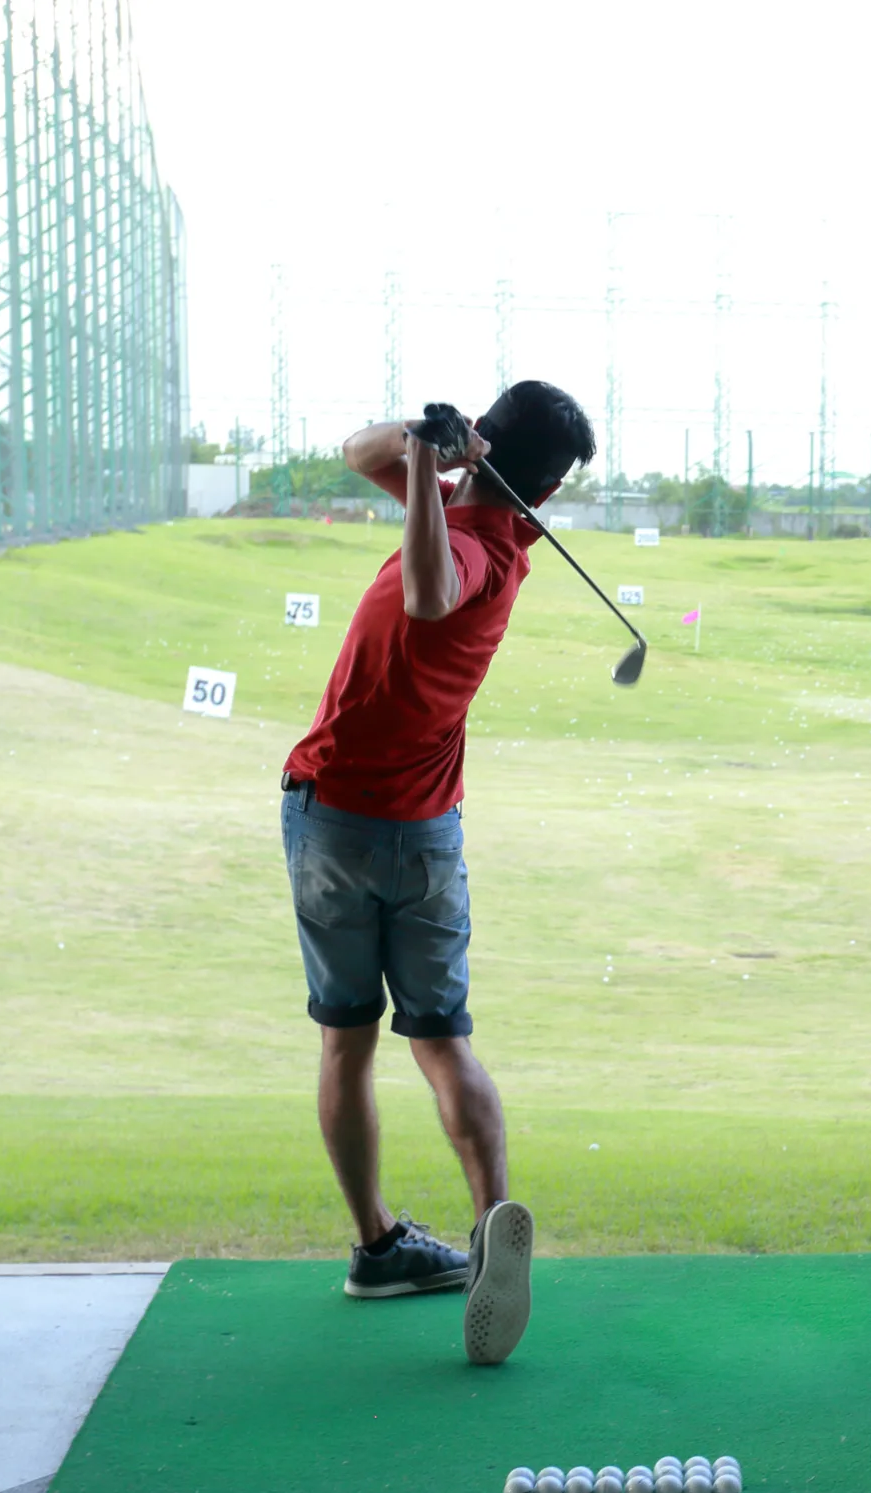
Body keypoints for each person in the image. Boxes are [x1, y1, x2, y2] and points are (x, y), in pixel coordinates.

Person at [278, 380, 595, 1365]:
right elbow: (355, 445)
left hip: (333, 820)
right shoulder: (501, 539)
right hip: (425, 836)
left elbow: (425, 591)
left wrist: (428, 461)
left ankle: (376, 1245)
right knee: (442, 1043)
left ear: (488, 446)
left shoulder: (466, 549)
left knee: (345, 1044)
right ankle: (489, 1218)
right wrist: (424, 445)